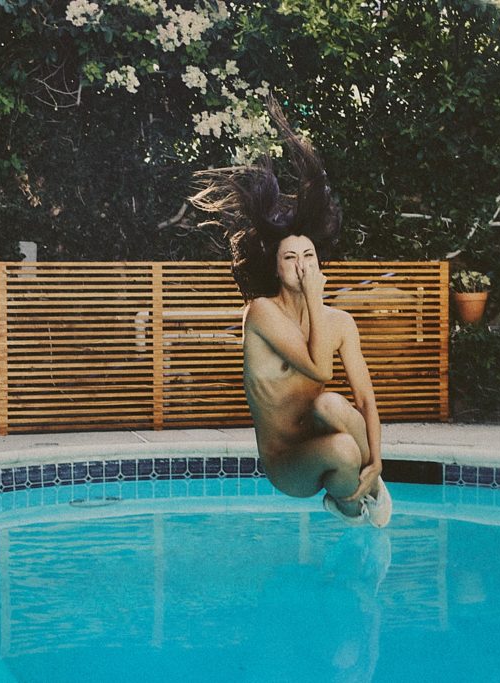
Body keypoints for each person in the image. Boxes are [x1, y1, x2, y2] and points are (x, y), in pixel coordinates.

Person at [190, 98, 391, 528]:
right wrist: (316, 297)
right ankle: (352, 508)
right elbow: (320, 368)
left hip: (326, 433)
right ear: (276, 269)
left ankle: (369, 484)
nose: (302, 266)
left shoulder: (340, 323)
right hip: (287, 462)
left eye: (309, 256)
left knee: (333, 404)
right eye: (290, 258)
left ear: (320, 260)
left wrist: (377, 460)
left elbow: (365, 398)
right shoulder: (262, 314)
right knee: (342, 448)